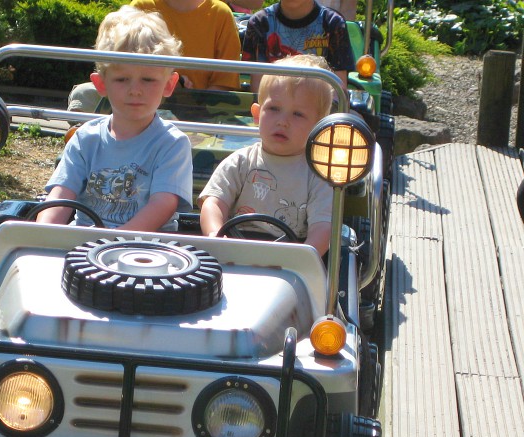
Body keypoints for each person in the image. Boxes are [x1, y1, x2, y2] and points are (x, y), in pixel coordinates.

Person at [39, 6, 193, 232]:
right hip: (84, 246)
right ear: (101, 84)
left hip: (147, 252)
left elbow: (162, 206)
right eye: (122, 79)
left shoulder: (172, 143)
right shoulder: (85, 139)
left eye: (148, 80)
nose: (135, 90)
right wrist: (41, 231)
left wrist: (111, 242)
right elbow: (61, 195)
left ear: (169, 84)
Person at [199, 54, 334, 255]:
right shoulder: (240, 162)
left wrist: (302, 256)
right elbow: (213, 203)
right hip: (234, 250)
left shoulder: (318, 175)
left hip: (291, 257)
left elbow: (323, 228)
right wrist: (216, 237)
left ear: (319, 125)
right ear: (256, 114)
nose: (283, 121)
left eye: (297, 114)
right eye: (274, 109)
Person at [68, 0, 241, 114]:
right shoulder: (141, 6)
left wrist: (187, 98)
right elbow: (119, 65)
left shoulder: (221, 14)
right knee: (83, 95)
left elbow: (223, 84)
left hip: (193, 104)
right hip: (138, 92)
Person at [241, 0, 355, 92]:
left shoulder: (332, 23)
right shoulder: (259, 23)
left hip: (318, 108)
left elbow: (338, 90)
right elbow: (258, 90)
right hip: (274, 105)